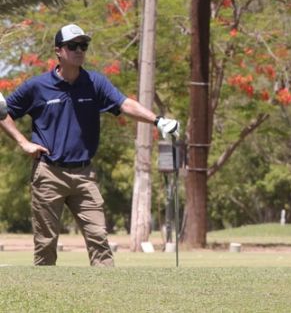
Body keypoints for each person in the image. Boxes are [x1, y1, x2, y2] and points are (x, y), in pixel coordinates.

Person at [0, 24, 180, 266]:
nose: (79, 50)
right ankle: (45, 289)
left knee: (99, 240)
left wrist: (157, 120)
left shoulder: (94, 83)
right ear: (58, 51)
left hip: (84, 175)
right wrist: (23, 142)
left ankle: (105, 289)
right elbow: (3, 112)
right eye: (72, 46)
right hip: (49, 173)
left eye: (83, 46)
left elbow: (124, 104)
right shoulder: (37, 86)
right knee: (46, 244)